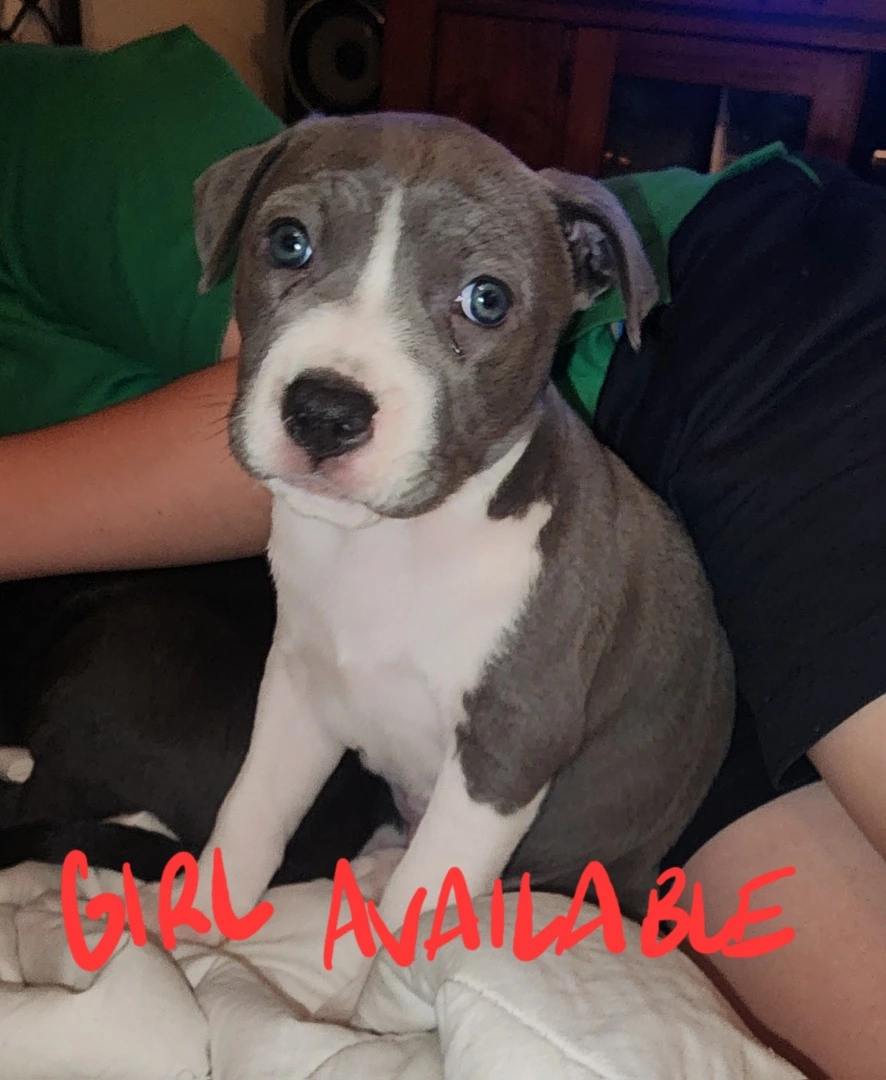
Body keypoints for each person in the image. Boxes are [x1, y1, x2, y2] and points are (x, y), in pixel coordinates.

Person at [3, 30, 885, 1080]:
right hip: (623, 797)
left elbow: (501, 762)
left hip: (769, 329)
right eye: (292, 247)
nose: (340, 361)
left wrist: (384, 995)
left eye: (481, 301)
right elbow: (309, 676)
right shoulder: (325, 505)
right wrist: (221, 894)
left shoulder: (56, 131)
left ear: (593, 282)